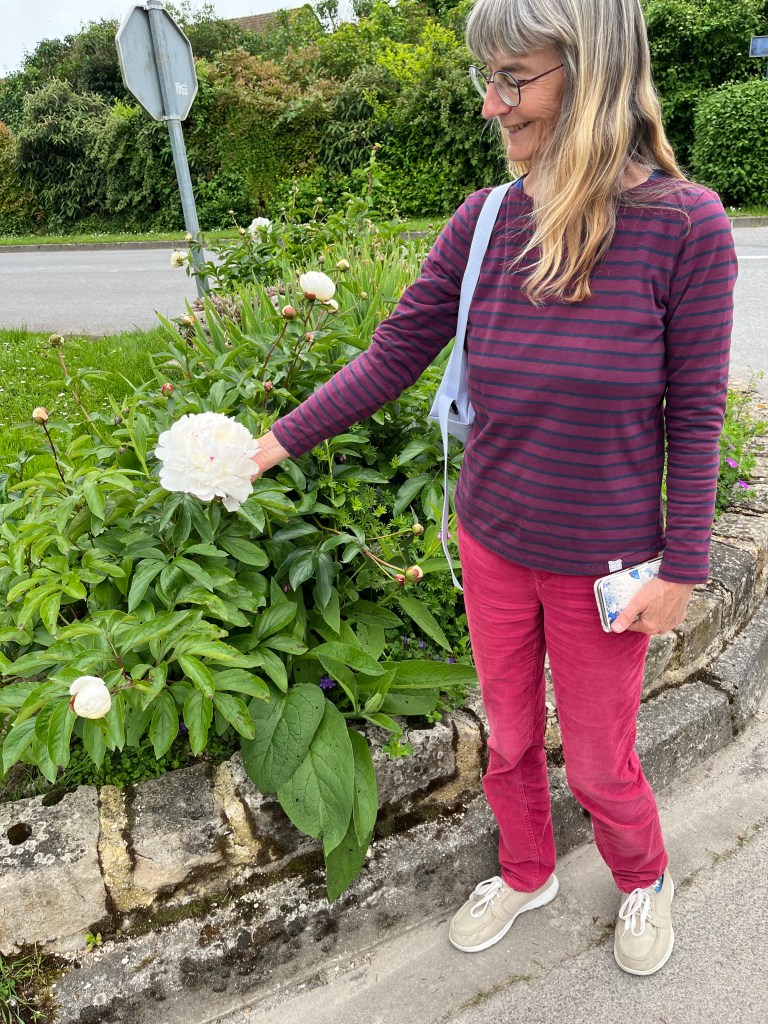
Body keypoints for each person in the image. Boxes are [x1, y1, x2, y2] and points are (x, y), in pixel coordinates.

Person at [249, 0, 737, 978]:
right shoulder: (484, 223)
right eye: (490, 78)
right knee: (509, 738)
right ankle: (526, 871)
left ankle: (644, 875)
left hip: (605, 563)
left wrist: (683, 566)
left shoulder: (687, 227)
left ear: (592, 75)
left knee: (598, 761)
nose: (490, 103)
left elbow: (695, 415)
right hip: (494, 543)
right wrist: (265, 447)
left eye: (513, 79)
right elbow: (391, 358)